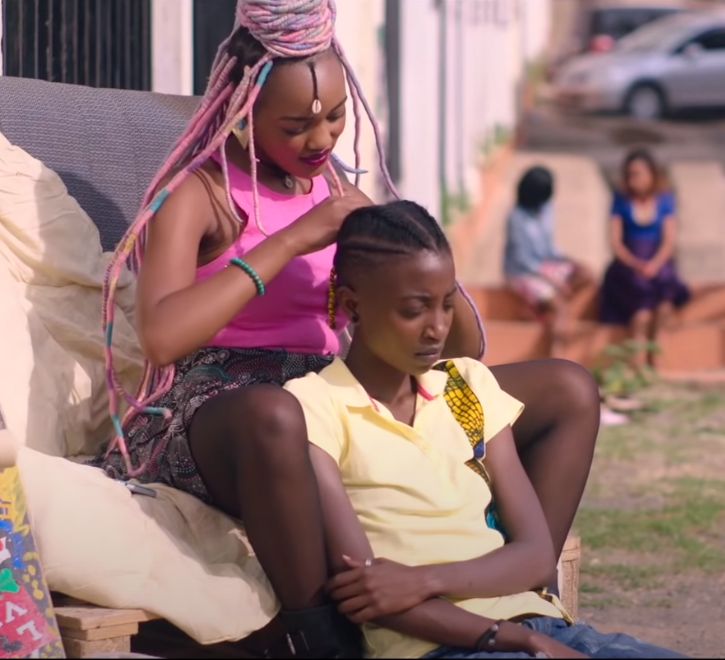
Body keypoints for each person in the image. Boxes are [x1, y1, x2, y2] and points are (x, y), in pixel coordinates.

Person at [93, 1, 598, 656]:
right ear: (244, 114)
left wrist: (409, 257)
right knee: (281, 415)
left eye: (336, 116)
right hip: (220, 407)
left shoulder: (332, 184)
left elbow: (465, 347)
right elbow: (160, 337)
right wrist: (294, 240)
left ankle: (526, 602)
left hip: (339, 391)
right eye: (297, 125)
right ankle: (319, 635)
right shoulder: (201, 194)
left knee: (567, 390)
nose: (322, 139)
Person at [296, 200, 688, 659]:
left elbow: (537, 557)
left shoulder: (465, 386)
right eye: (415, 310)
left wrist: (425, 580)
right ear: (352, 305)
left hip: (544, 628)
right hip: (443, 648)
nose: (437, 328)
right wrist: (516, 639)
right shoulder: (316, 406)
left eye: (447, 304)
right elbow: (372, 595)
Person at [597, 149, 690, 367]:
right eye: (630, 175)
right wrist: (635, 263)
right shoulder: (621, 201)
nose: (634, 180)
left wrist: (655, 264)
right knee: (641, 314)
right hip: (630, 266)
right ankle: (637, 364)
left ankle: (656, 360)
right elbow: (615, 242)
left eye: (638, 174)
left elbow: (669, 240)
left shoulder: (664, 201)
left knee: (664, 307)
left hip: (657, 263)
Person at [503, 166, 591, 346]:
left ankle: (540, 309)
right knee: (560, 309)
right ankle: (555, 358)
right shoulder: (517, 218)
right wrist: (554, 281)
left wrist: (570, 260)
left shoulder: (547, 208)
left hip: (545, 264)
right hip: (522, 272)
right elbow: (524, 260)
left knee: (588, 274)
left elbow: (549, 248)